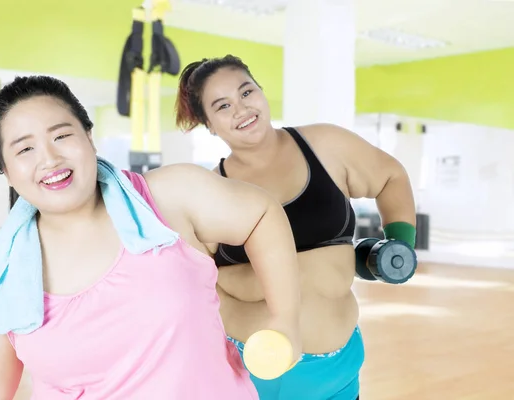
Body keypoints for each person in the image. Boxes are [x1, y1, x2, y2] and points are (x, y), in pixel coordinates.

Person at [0, 75, 304, 400]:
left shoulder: (170, 197)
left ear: (89, 138)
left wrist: (285, 319)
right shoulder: (0, 287)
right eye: (25, 149)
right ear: (6, 172)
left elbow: (261, 215)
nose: (50, 158)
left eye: (62, 135)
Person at [174, 55, 418, 400]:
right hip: (253, 372)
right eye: (223, 106)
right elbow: (192, 283)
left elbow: (391, 176)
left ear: (261, 91)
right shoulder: (210, 193)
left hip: (341, 364)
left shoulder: (325, 145)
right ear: (210, 125)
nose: (241, 109)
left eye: (246, 93)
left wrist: (399, 244)